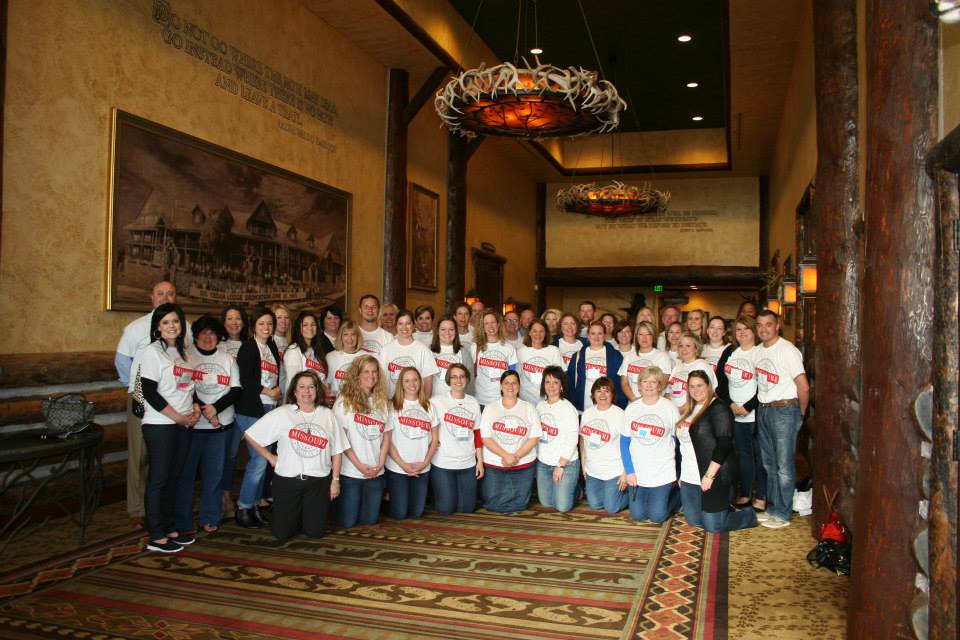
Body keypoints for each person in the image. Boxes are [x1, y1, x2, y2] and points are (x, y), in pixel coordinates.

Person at [244, 370, 346, 541]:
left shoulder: (327, 415)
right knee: (282, 534)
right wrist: (271, 458)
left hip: (318, 483)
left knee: (315, 532)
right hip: (287, 481)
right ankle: (294, 516)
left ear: (317, 390)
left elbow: (337, 451)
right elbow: (250, 435)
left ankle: (304, 515)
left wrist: (335, 482)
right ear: (294, 391)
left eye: (311, 387)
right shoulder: (283, 413)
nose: (307, 391)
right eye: (302, 387)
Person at [115, 280, 184, 525]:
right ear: (152, 298)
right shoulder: (136, 328)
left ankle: (162, 507)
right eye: (160, 294)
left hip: (175, 401)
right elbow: (123, 364)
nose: (165, 298)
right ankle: (137, 509)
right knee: (141, 454)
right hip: (143, 396)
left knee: (168, 456)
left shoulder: (184, 328)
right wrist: (136, 390)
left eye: (170, 294)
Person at [138, 302, 200, 552]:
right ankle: (156, 535)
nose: (172, 326)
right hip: (161, 424)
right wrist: (178, 417)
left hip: (183, 423)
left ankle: (170, 527)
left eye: (175, 321)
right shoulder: (152, 352)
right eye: (165, 322)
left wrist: (194, 407)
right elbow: (150, 392)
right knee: (159, 479)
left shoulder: (184, 353)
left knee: (175, 477)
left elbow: (187, 387)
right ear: (157, 328)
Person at [176, 316, 240, 534]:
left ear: (218, 337)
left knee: (214, 475)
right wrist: (204, 408)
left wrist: (216, 409)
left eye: (212, 333)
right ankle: (183, 521)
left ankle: (210, 517)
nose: (207, 337)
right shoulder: (186, 358)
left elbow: (236, 389)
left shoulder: (227, 359)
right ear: (195, 337)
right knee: (186, 475)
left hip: (219, 428)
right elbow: (184, 387)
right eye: (202, 333)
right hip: (192, 426)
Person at [676, 370, 758, 533]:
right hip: (689, 477)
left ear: (708, 386)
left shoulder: (718, 407)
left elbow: (724, 444)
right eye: (691, 386)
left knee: (713, 525)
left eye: (700, 385)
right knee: (694, 521)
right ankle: (721, 509)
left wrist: (709, 476)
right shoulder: (688, 410)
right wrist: (680, 475)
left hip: (714, 476)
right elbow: (681, 447)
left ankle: (748, 516)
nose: (695, 390)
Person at [754, 310, 810, 529]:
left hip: (785, 409)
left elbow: (803, 386)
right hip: (764, 409)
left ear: (777, 325)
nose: (764, 328)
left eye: (768, 324)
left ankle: (784, 513)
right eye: (759, 324)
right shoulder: (758, 351)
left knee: (784, 465)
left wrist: (800, 414)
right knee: (769, 464)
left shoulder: (788, 350)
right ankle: (774, 507)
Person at [230, 306, 282, 529]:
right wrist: (267, 391)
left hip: (269, 409)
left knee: (262, 461)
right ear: (253, 326)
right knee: (260, 461)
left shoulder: (270, 346)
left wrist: (275, 393)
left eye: (269, 323)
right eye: (261, 324)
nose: (266, 327)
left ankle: (252, 506)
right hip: (251, 411)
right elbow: (245, 380)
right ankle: (243, 507)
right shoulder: (248, 347)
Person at [333, 355, 391, 528]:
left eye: (374, 372)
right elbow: (340, 440)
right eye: (366, 371)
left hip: (375, 472)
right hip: (351, 472)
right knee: (349, 522)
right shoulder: (344, 401)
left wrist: (380, 464)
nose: (371, 376)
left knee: (370, 520)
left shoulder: (382, 402)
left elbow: (386, 436)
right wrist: (359, 465)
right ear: (357, 375)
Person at [715, 315, 763, 510]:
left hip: (756, 413)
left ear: (754, 331)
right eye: (739, 329)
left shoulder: (760, 353)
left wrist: (748, 406)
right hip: (734, 412)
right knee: (742, 455)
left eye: (747, 329)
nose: (742, 333)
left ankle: (761, 495)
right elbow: (719, 380)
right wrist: (731, 404)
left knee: (759, 456)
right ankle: (744, 494)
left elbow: (766, 385)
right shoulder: (730, 351)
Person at [621, 367, 679, 523]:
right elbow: (624, 442)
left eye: (653, 382)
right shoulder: (632, 408)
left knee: (657, 516)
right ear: (639, 385)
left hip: (662, 471)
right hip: (638, 471)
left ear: (660, 385)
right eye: (645, 381)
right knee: (638, 515)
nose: (649, 385)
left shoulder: (669, 407)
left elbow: (677, 440)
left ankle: (677, 496)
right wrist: (629, 471)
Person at [479, 370, 541, 512]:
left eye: (514, 383)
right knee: (492, 504)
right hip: (496, 462)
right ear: (501, 386)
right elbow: (486, 438)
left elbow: (534, 437)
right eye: (506, 383)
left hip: (523, 463)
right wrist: (506, 456)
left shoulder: (528, 408)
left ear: (519, 386)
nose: (510, 386)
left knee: (520, 505)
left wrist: (516, 456)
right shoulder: (490, 408)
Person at [385, 367, 439, 519]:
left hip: (422, 467)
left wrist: (424, 463)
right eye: (407, 380)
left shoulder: (429, 406)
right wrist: (403, 465)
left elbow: (435, 440)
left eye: (415, 380)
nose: (412, 384)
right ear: (401, 384)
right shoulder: (392, 406)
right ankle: (387, 499)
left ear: (420, 382)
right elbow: (387, 441)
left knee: (416, 513)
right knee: (400, 513)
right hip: (398, 467)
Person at [429, 363, 483, 515]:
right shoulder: (437, 401)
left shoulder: (473, 402)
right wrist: (433, 441)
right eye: (454, 376)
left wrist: (480, 462)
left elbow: (477, 434)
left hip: (467, 463)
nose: (458, 380)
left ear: (467, 379)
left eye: (462, 376)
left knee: (466, 509)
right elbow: (428, 427)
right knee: (446, 509)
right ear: (448, 379)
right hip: (443, 463)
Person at [579, 377, 627, 514]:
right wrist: (584, 466)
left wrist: (625, 473)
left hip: (614, 471)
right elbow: (583, 441)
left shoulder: (620, 414)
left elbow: (628, 446)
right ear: (593, 395)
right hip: (593, 470)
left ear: (612, 394)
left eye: (607, 391)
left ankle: (630, 492)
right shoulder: (587, 413)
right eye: (598, 391)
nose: (602, 395)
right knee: (595, 504)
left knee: (611, 507)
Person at [535, 366, 580, 513]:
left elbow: (573, 439)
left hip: (565, 464)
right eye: (547, 382)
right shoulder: (539, 406)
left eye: (555, 382)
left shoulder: (568, 408)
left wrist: (560, 465)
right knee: (547, 503)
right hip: (544, 463)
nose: (551, 386)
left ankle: (576, 490)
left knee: (562, 507)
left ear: (561, 386)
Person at [567, 321, 627, 412]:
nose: (596, 337)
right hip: (583, 407)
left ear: (605, 335)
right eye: (593, 333)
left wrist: (619, 407)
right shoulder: (577, 356)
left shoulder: (615, 356)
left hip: (607, 407)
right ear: (588, 335)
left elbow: (620, 384)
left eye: (600, 333)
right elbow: (570, 383)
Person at [378, 309, 439, 397]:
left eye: (408, 323)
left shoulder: (424, 350)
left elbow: (428, 381)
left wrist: (424, 405)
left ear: (414, 325)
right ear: (396, 325)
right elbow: (381, 379)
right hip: (391, 403)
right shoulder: (386, 350)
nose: (404, 327)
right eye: (400, 323)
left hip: (415, 404)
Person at [469, 309, 519, 408]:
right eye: (486, 323)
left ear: (498, 324)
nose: (490, 326)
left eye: (493, 322)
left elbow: (512, 376)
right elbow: (471, 373)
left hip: (502, 399)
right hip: (481, 399)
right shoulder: (475, 347)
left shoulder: (509, 348)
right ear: (482, 327)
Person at [619, 320, 673, 402]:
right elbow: (624, 383)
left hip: (654, 403)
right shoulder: (628, 357)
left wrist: (647, 401)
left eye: (648, 334)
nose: (644, 338)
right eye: (641, 334)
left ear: (653, 336)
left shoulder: (662, 356)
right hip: (633, 403)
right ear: (636, 336)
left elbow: (663, 383)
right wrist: (635, 399)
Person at [516, 319, 563, 404]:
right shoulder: (520, 351)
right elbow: (517, 376)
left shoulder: (553, 350)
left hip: (548, 400)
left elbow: (560, 377)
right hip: (526, 401)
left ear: (545, 333)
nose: (538, 334)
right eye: (534, 331)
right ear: (529, 333)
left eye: (541, 331)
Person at [667, 331, 718, 408]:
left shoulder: (703, 366)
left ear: (696, 348)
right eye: (681, 346)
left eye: (688, 346)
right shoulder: (677, 367)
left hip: (693, 415)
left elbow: (706, 395)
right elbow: (668, 392)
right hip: (675, 415)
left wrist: (681, 410)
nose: (683, 349)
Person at [283, 311, 327, 396]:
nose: (310, 328)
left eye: (313, 325)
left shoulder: (316, 351)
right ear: (298, 328)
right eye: (305, 325)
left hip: (315, 401)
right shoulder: (293, 350)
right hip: (298, 402)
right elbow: (294, 382)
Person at [325, 320, 363, 403]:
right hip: (337, 405)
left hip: (360, 404)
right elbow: (327, 384)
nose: (349, 338)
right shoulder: (330, 357)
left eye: (353, 334)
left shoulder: (366, 357)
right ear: (340, 337)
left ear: (358, 337)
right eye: (345, 334)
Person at [430, 316, 465, 398]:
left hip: (456, 401)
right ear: (437, 331)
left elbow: (468, 382)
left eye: (451, 329)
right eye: (443, 329)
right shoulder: (428, 351)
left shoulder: (464, 352)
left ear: (456, 332)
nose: (447, 333)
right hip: (434, 400)